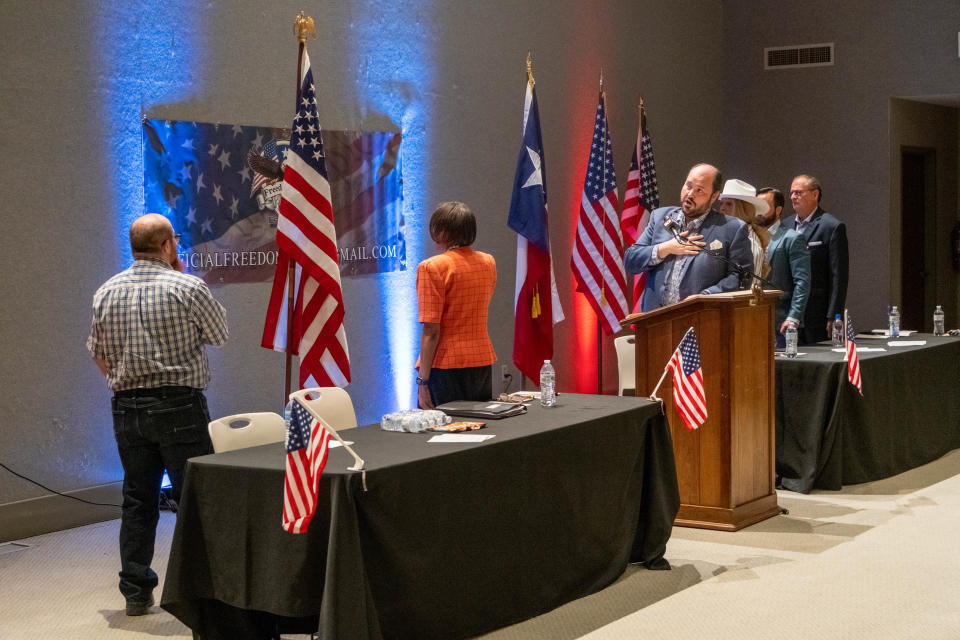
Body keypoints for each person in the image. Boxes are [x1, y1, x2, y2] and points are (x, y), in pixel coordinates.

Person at [87, 213, 227, 616]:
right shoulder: (187, 286)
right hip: (179, 405)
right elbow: (220, 335)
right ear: (168, 245)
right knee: (195, 498)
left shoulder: (106, 291)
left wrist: (122, 380)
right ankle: (203, 591)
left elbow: (96, 351)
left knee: (137, 498)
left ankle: (135, 591)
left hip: (127, 407)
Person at [623, 163, 753, 312]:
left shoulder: (732, 228)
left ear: (714, 196)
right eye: (688, 185)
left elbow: (742, 276)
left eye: (700, 190)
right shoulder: (659, 218)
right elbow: (630, 260)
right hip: (654, 322)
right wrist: (665, 248)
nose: (690, 194)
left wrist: (706, 297)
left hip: (701, 319)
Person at [416, 201, 497, 409]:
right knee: (480, 428)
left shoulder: (431, 267)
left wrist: (422, 382)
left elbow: (431, 330)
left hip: (445, 364)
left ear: (442, 231)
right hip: (481, 360)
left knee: (445, 432)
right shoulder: (489, 262)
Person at [781, 175, 848, 344]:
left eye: (798, 192)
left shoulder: (831, 226)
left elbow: (838, 276)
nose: (793, 197)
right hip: (787, 311)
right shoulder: (785, 226)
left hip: (816, 312)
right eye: (791, 193)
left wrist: (834, 314)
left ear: (815, 194)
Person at [757, 187, 811, 347]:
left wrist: (794, 317)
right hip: (753, 318)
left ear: (778, 210)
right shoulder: (747, 237)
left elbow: (802, 282)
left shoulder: (792, 239)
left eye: (763, 206)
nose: (758, 211)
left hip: (782, 321)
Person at [716, 179, 771, 278]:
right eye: (721, 203)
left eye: (729, 204)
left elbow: (744, 283)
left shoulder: (749, 241)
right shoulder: (735, 236)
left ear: (743, 209)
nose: (722, 208)